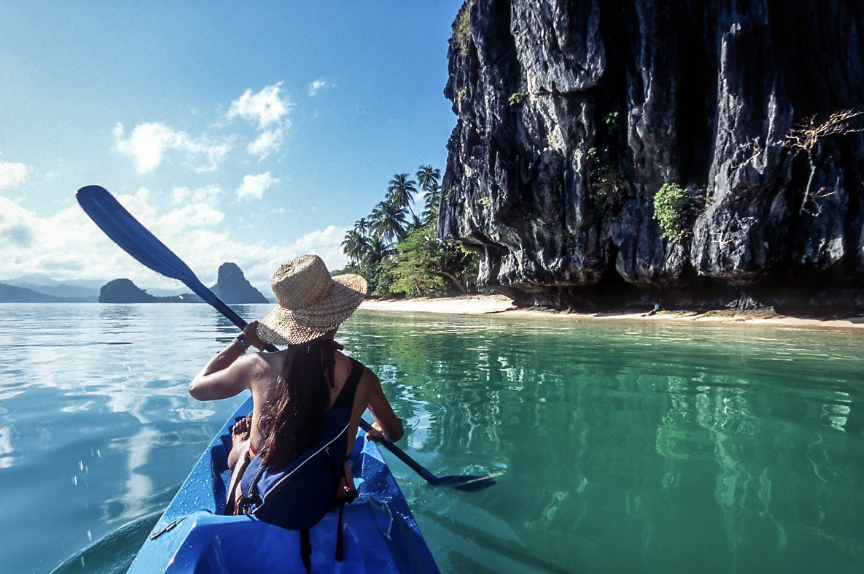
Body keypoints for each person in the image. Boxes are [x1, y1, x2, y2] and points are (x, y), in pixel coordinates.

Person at [188, 254, 403, 510]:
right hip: (330, 496)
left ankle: (242, 447)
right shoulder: (362, 377)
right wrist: (377, 429)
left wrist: (242, 342)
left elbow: (197, 389)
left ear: (288, 320)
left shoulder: (255, 365)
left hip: (261, 496)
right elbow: (394, 433)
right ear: (337, 314)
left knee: (249, 451)